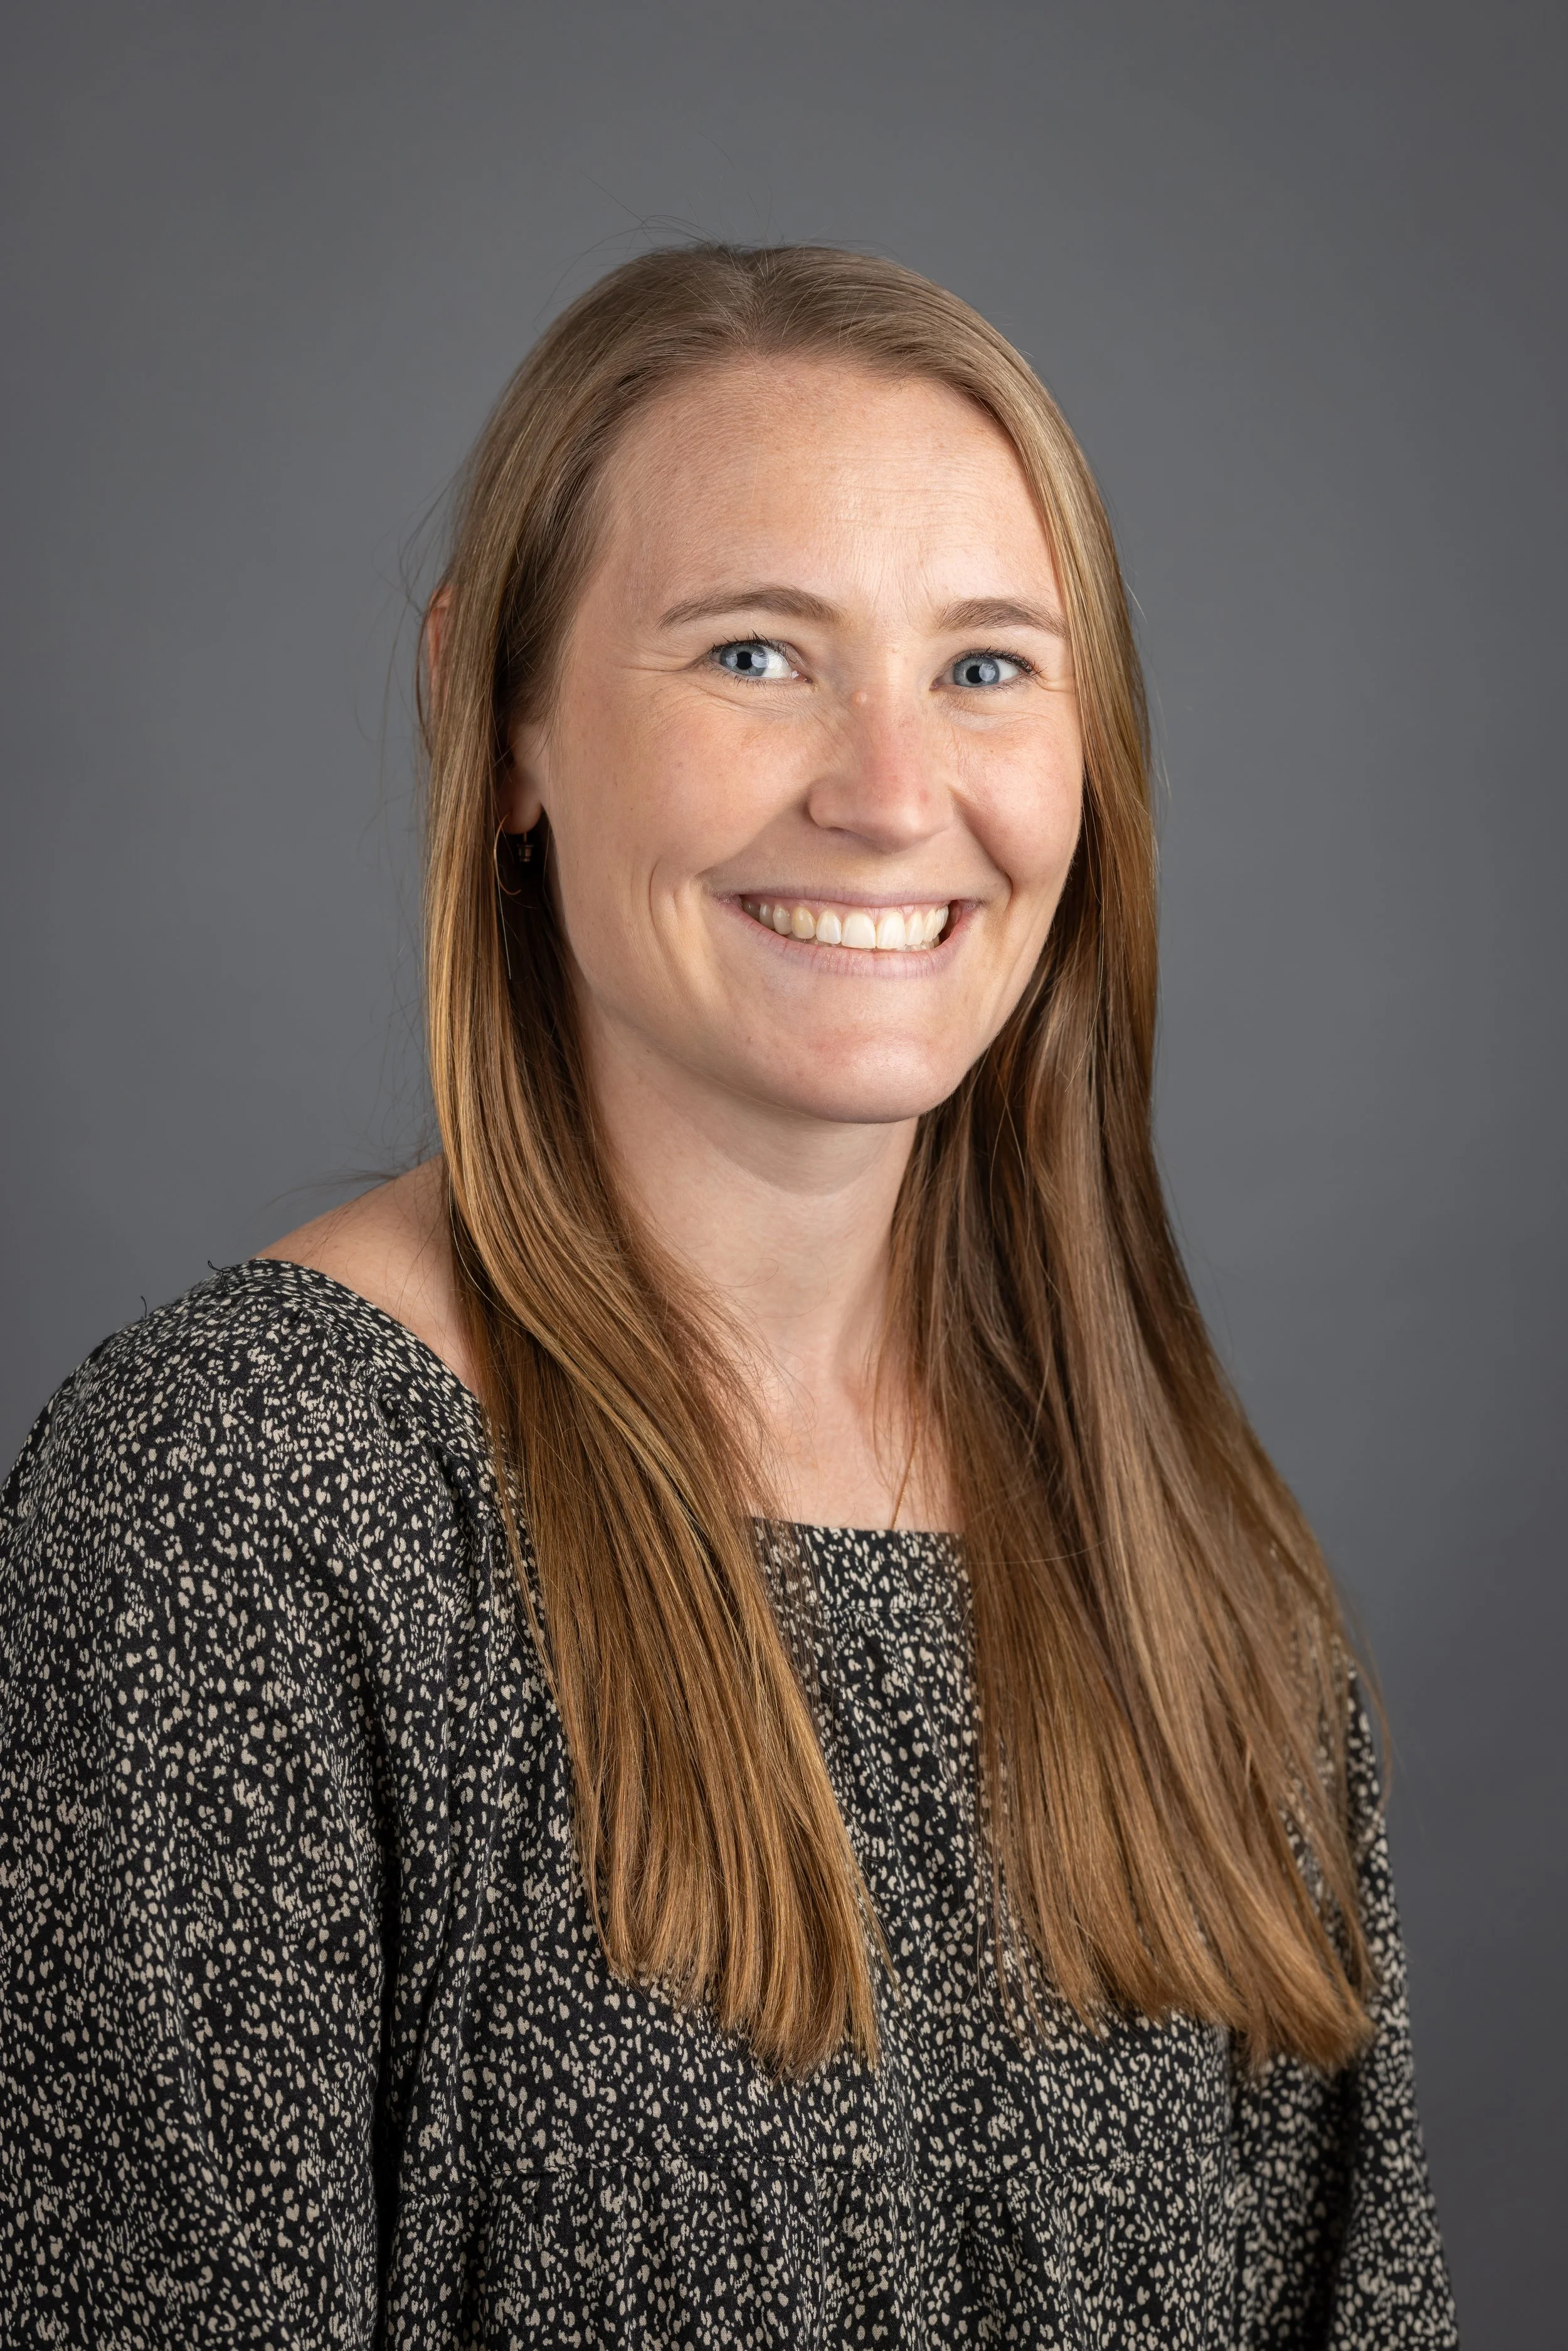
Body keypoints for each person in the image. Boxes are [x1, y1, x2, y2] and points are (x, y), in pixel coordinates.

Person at [0, 245, 1456, 2347]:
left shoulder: (1197, 1561)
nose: (887, 793)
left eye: (984, 669)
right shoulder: (236, 1511)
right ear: (490, 719)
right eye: (757, 655)